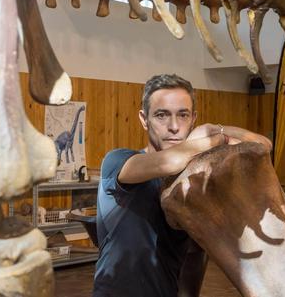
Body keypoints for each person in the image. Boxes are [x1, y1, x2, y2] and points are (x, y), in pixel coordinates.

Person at [92, 74, 271, 297]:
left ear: (193, 118)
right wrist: (218, 139)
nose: (174, 126)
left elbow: (263, 145)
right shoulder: (118, 161)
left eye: (183, 115)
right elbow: (171, 161)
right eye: (161, 115)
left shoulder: (190, 181)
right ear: (143, 118)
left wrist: (216, 127)